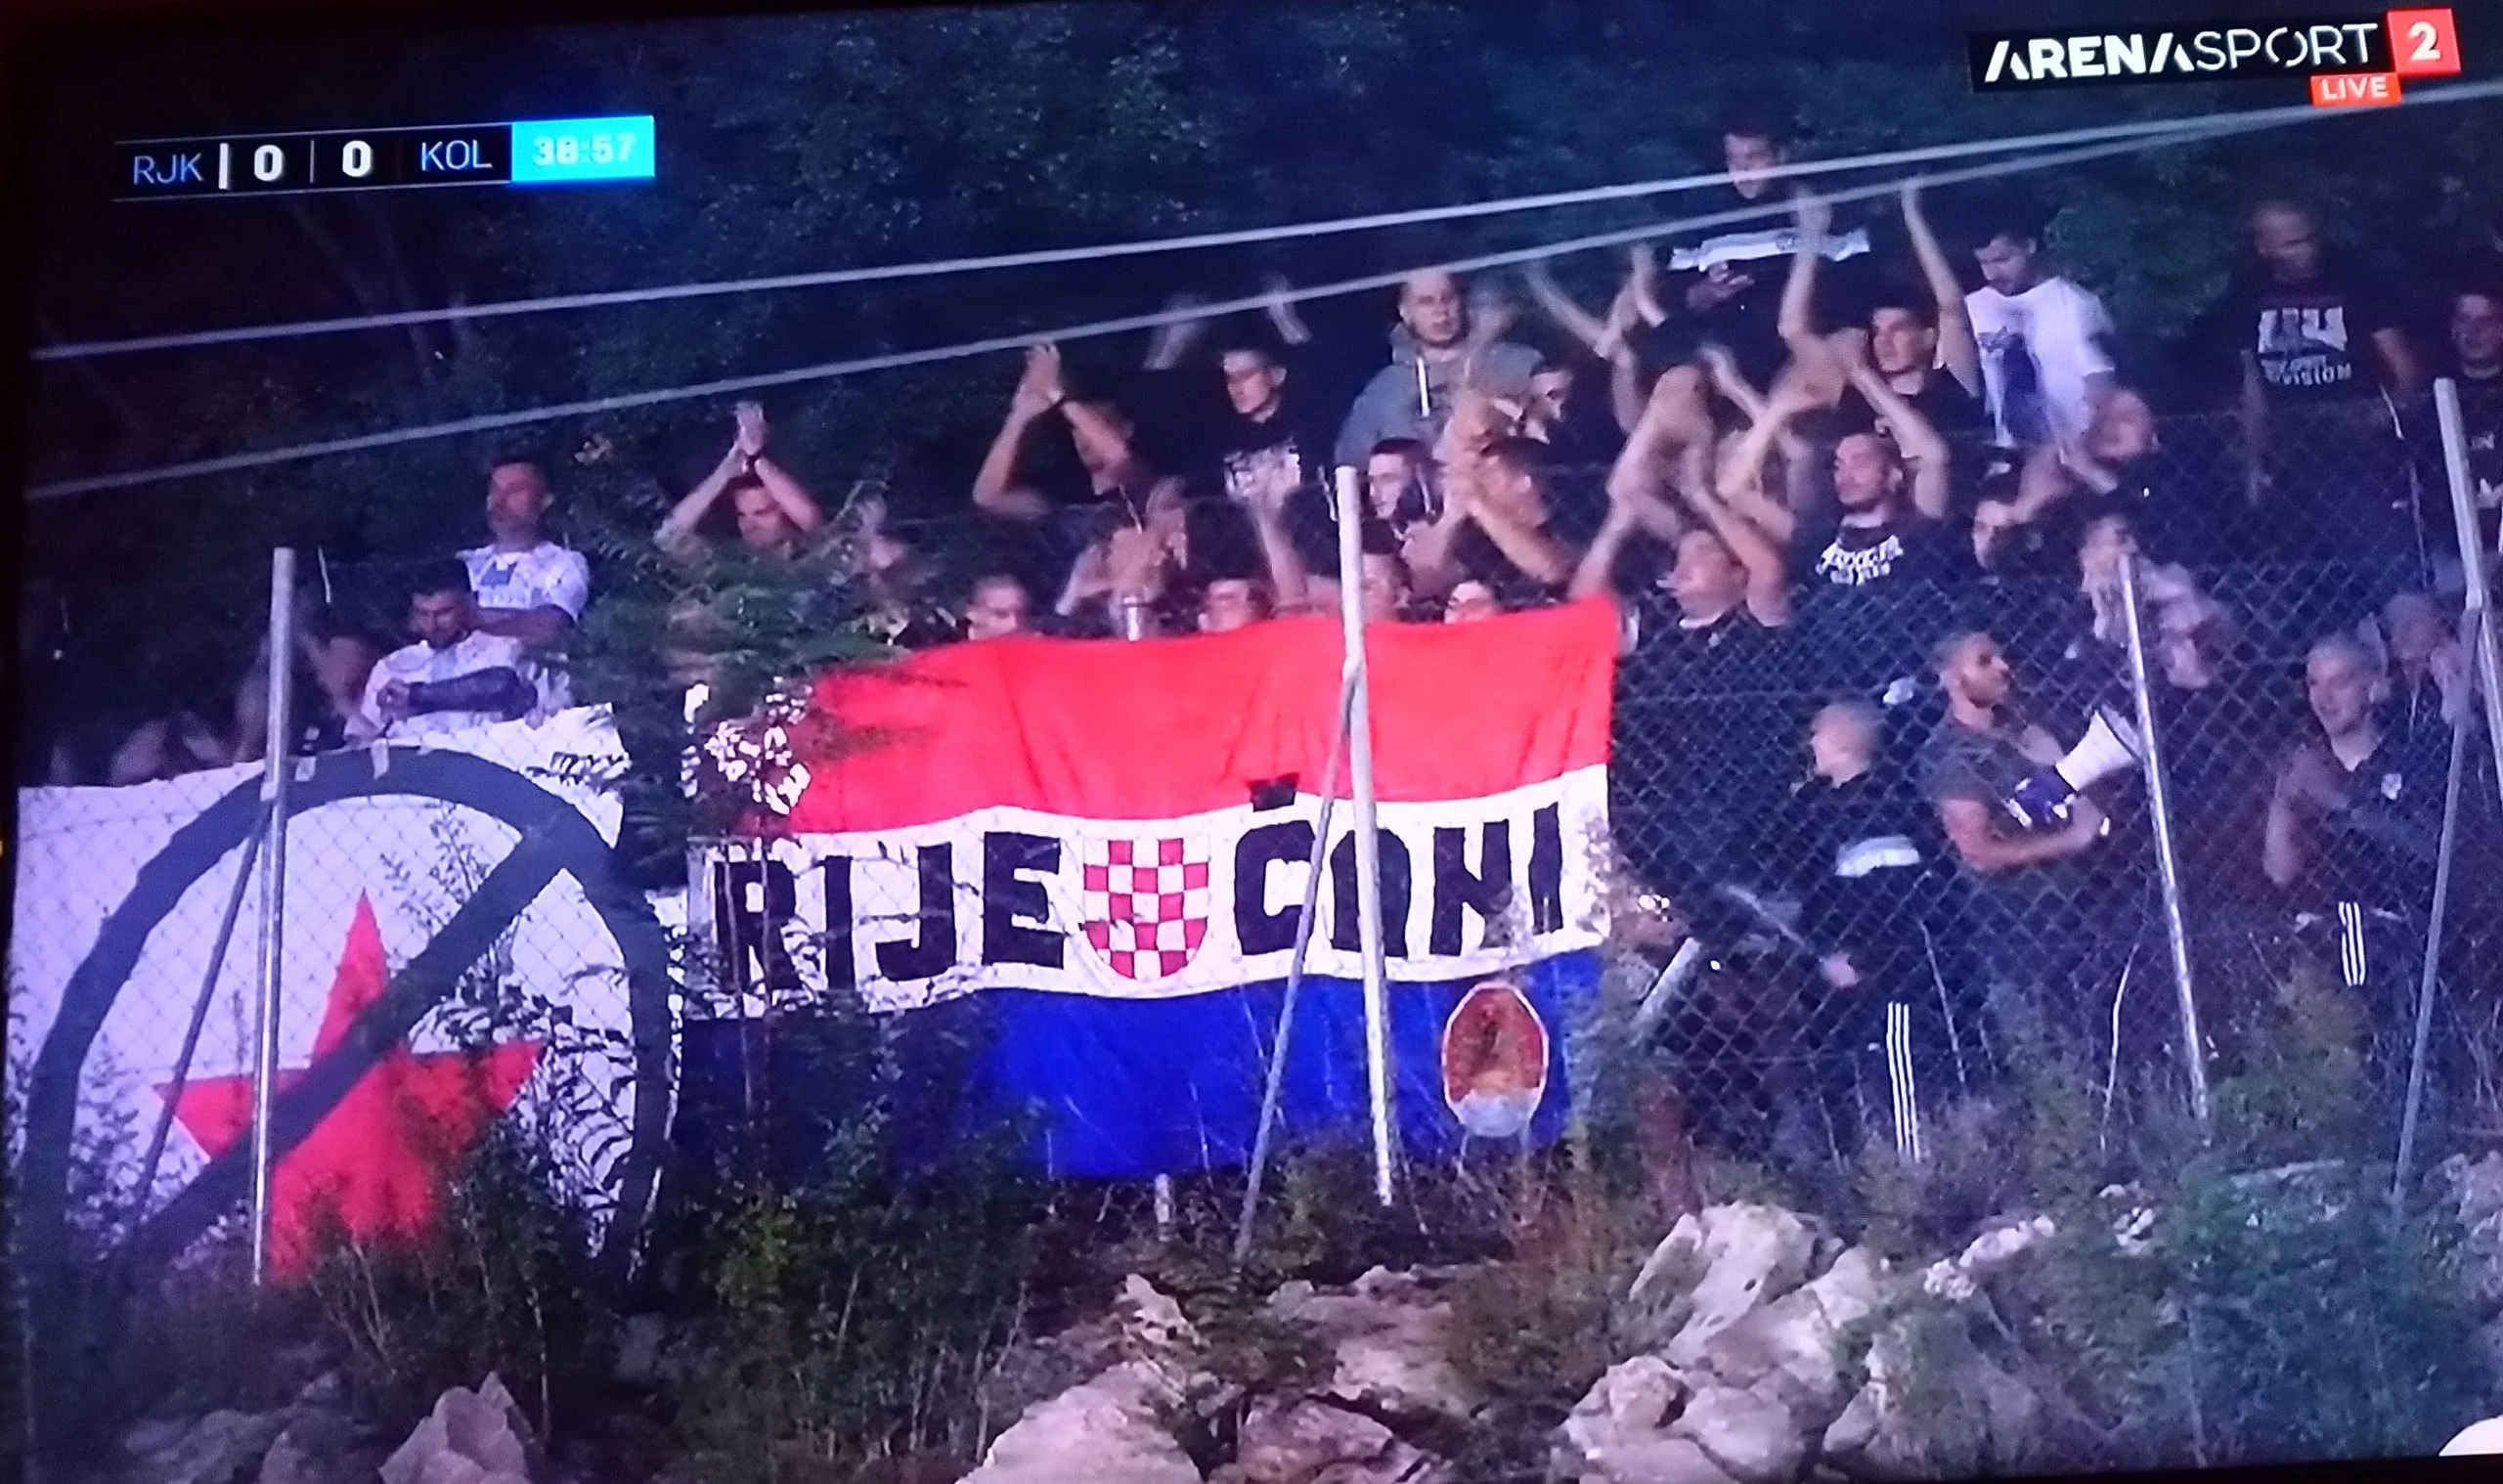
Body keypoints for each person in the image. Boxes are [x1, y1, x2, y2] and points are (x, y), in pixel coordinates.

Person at [1920, 630, 2114, 1072]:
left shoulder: (2028, 729)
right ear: (1950, 677)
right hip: (2019, 922)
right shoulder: (1950, 754)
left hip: (2085, 905)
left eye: (2001, 656)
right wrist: (2072, 840)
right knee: (2049, 1051)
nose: (2003, 668)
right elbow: (1978, 851)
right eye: (1984, 661)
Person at [2262, 634, 2447, 1073]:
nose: (2324, 698)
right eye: (2313, 683)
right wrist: (2285, 799)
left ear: (2373, 687)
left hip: (2397, 935)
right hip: (2320, 938)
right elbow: (2279, 871)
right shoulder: (2304, 764)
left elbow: (2429, 848)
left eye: (2340, 681)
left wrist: (2341, 802)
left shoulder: (2411, 757)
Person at [1776, 699, 1951, 1163]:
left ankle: (1915, 1174)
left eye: (1818, 732)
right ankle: (1862, 1170)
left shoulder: (1880, 804)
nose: (1811, 743)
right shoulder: (1819, 809)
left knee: (1894, 1067)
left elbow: (1896, 900)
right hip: (1833, 969)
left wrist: (1862, 957)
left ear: (1843, 738)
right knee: (1845, 1077)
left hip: (1882, 971)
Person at [2213, 200, 2425, 564]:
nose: (2306, 250)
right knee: (2307, 561)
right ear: (2264, 248)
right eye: (2291, 244)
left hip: (2358, 451)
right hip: (2291, 452)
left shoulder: (2352, 284)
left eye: (2308, 239)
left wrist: (2387, 412)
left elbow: (2403, 364)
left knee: (2378, 553)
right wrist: (2254, 461)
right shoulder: (2249, 296)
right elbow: (2253, 384)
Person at [1665, 110, 1874, 390]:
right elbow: (1678, 301)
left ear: (1781, 155)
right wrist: (1708, 292)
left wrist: (1813, 231)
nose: (1742, 172)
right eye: (1734, 160)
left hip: (1806, 351)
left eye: (1754, 158)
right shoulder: (1707, 215)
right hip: (1727, 350)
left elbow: (1857, 293)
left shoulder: (1820, 206)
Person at [1785, 184, 1984, 445]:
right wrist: (1811, 235)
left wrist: (1913, 215)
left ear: (1928, 337)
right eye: (1877, 331)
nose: (1883, 341)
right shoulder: (1856, 395)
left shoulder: (1951, 387)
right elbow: (1792, 330)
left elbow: (1951, 308)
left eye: (1897, 329)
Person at [1335, 269, 1542, 468]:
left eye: (1447, 298)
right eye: (1426, 301)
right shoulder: (1384, 393)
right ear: (1405, 312)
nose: (1440, 310)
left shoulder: (1518, 365)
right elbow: (1351, 467)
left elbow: (1549, 438)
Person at [1964, 203, 2119, 456]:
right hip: (2008, 455)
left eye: (2002, 260)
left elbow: (2100, 383)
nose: (1991, 274)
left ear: (2029, 246)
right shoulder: (1974, 307)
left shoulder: (2074, 304)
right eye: (1983, 262)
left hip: (2071, 451)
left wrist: (2092, 446)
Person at [359, 563, 544, 742]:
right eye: (423, 614)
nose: (432, 626)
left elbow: (507, 688)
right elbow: (364, 737)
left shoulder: (504, 650)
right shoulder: (391, 666)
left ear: (469, 603)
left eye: (444, 613)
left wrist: (417, 696)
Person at [462, 457, 592, 709]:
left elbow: (549, 626)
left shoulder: (565, 563)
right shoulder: (465, 563)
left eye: (514, 491)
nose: (499, 502)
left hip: (534, 710)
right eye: (494, 491)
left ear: (546, 500)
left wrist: (469, 617)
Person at [657, 402, 828, 563]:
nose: (749, 525)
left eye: (761, 513)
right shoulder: (726, 560)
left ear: (787, 512)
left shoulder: (816, 555)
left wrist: (757, 459)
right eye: (742, 515)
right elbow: (668, 536)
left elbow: (812, 520)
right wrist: (724, 472)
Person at [2440, 285, 2502, 548]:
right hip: (2451, 542)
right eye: (2463, 319)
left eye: (2484, 321)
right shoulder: (2432, 393)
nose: (2472, 331)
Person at [961, 573, 1034, 641]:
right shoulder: (956, 648)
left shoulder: (1035, 645)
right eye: (1001, 614)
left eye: (1020, 615)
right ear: (972, 614)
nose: (1014, 625)